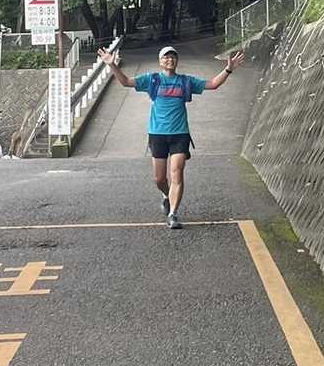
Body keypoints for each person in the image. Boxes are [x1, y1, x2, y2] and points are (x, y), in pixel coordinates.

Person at [96, 43, 245, 228]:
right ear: (160, 61)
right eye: (166, 57)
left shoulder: (185, 81)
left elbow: (212, 84)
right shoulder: (152, 80)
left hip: (180, 134)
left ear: (177, 61)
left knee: (177, 173)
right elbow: (125, 81)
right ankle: (167, 195)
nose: (170, 59)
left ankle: (173, 214)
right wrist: (111, 64)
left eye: (173, 57)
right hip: (157, 134)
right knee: (159, 179)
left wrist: (228, 70)